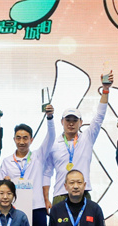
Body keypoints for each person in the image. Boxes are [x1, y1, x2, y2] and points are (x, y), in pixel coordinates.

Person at [0, 107, 54, 226]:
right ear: (14, 139)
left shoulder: (38, 156)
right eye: (18, 138)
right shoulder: (7, 162)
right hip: (14, 212)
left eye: (25, 138)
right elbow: (0, 188)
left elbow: (51, 137)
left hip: (37, 209)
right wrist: (4, 181)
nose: (22, 141)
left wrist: (50, 118)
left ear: (31, 139)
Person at [44, 72, 112, 204]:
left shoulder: (87, 138)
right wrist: (46, 199)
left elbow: (99, 116)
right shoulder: (53, 144)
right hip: (60, 194)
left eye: (75, 120)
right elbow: (47, 173)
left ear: (81, 123)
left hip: (83, 193)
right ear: (61, 122)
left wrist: (105, 90)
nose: (71, 123)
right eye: (68, 120)